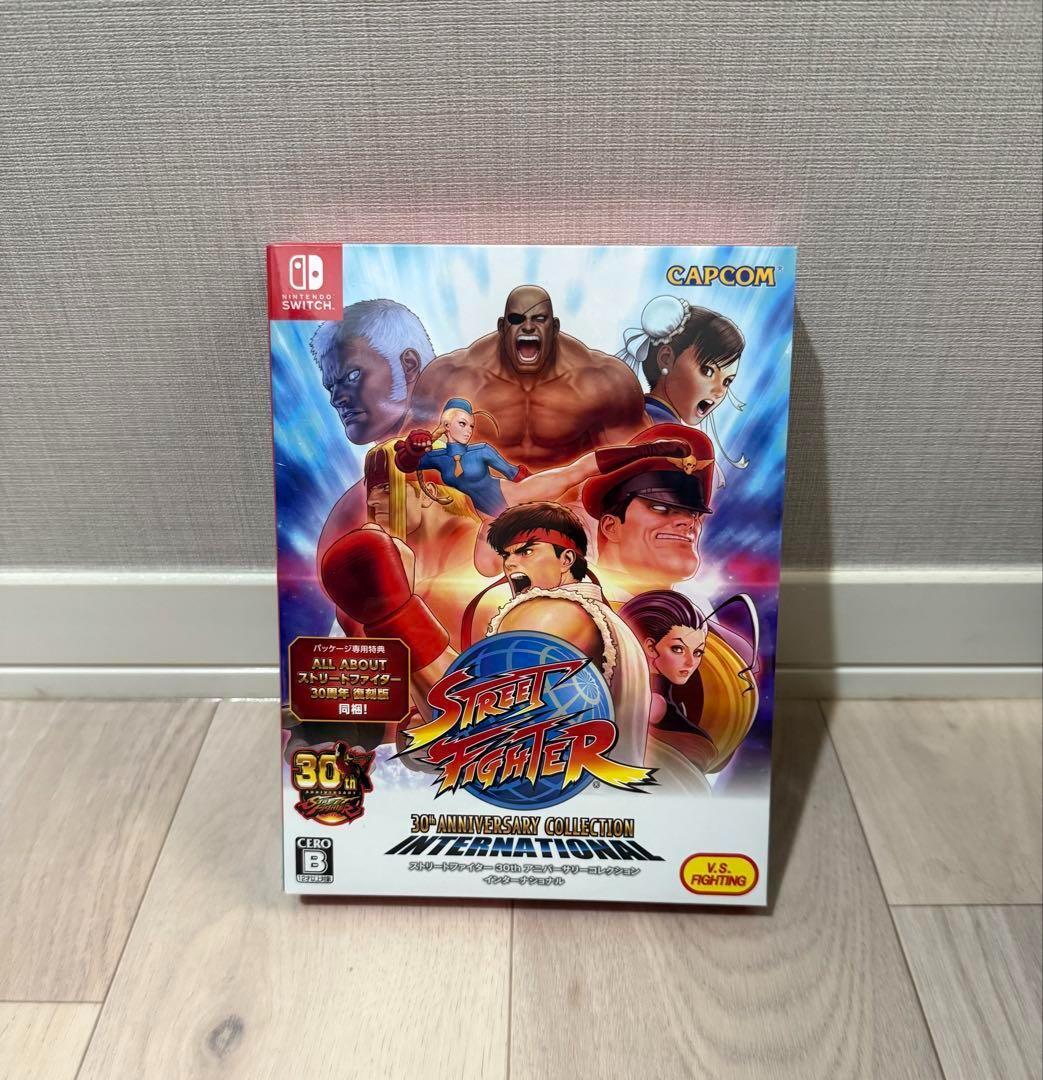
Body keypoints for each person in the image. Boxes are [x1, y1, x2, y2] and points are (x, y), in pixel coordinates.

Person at [319, 503, 651, 765]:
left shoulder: (556, 612)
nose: (511, 564)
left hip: (568, 804)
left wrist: (399, 614)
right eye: (507, 554)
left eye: (527, 551)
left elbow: (474, 720)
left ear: (566, 559)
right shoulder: (592, 614)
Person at [403, 286, 648, 472]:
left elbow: (636, 464)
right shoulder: (449, 377)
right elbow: (402, 459)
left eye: (539, 319)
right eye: (517, 319)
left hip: (570, 510)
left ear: (554, 327)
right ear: (502, 327)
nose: (528, 327)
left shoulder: (604, 381)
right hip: (476, 510)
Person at [313, 299, 436, 566]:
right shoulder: (351, 511)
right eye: (330, 386)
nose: (336, 399)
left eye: (352, 375)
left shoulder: (467, 463)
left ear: (409, 365)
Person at [619, 590, 759, 786]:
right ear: (650, 647)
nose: (690, 662)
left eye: (698, 652)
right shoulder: (652, 702)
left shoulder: (655, 696)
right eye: (678, 649)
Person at [618, 296, 749, 476]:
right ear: (666, 359)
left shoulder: (629, 414)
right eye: (707, 371)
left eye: (727, 381)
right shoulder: (675, 439)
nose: (720, 391)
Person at [581, 424, 716, 595]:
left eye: (693, 513)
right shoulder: (567, 600)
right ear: (611, 526)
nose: (689, 521)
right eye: (660, 507)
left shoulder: (696, 610)